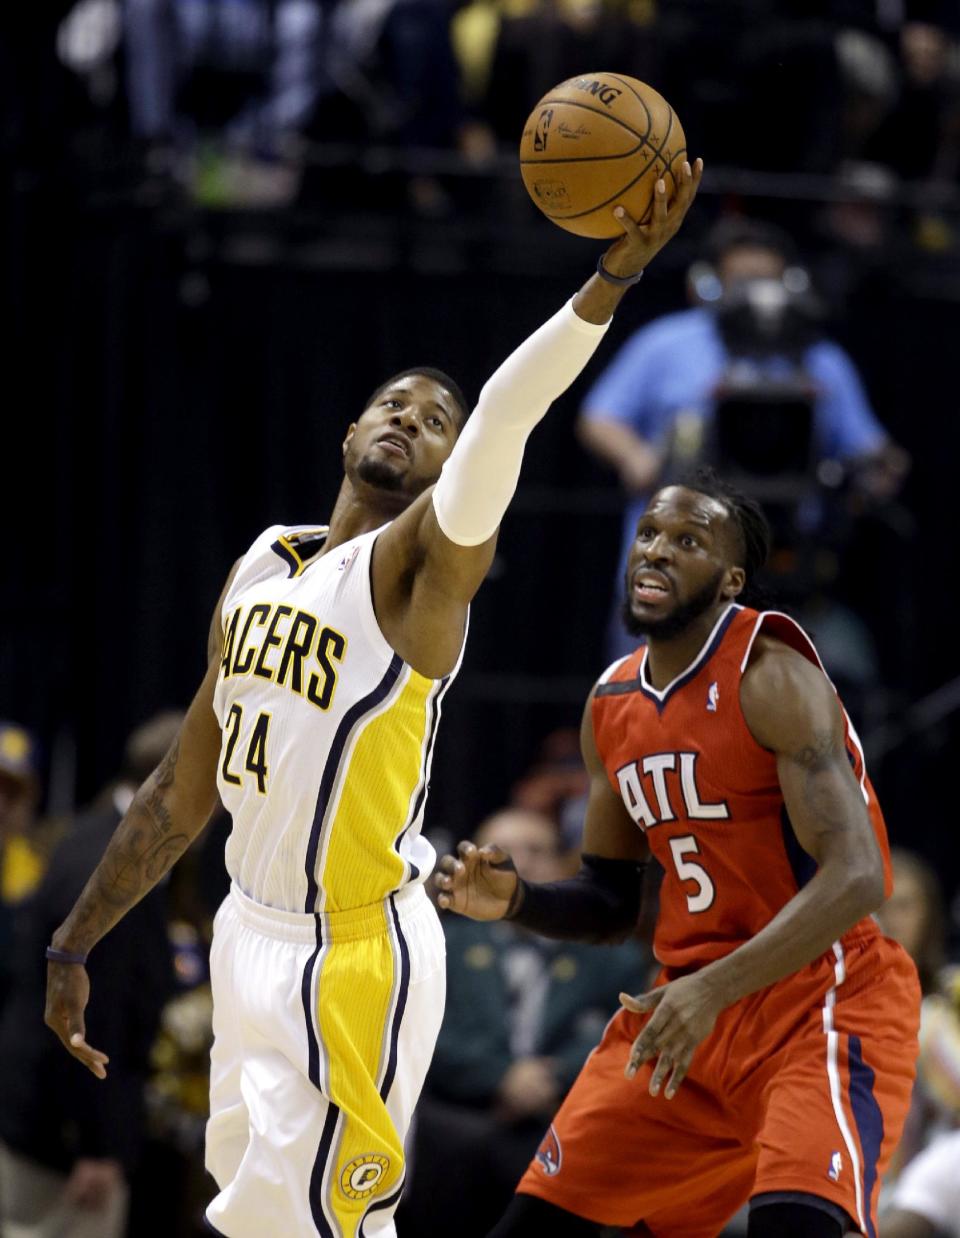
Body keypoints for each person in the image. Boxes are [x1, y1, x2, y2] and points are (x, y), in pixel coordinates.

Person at [42, 160, 703, 1238]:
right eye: (391, 403)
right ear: (348, 434)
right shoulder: (265, 560)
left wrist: (609, 282)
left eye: (432, 418)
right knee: (253, 1220)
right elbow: (178, 785)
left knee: (337, 1227)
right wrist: (76, 943)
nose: (411, 416)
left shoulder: (422, 570)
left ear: (451, 468)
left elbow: (504, 413)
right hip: (242, 932)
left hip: (351, 949)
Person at [437, 469, 921, 1238]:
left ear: (730, 580)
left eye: (687, 541)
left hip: (820, 1000)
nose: (655, 552)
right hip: (685, 1016)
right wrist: (518, 901)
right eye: (650, 535)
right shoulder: (611, 705)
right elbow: (609, 902)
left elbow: (859, 876)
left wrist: (710, 990)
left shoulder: (773, 677)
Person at [577, 217, 908, 659]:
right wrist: (635, 457)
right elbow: (599, 415)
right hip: (673, 553)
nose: (757, 294)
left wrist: (876, 473)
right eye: (744, 281)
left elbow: (870, 450)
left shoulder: (820, 359)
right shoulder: (667, 344)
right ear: (709, 284)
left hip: (785, 558)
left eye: (768, 281)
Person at [401, 807, 647, 1237]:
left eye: (535, 850)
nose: (518, 864)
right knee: (448, 1139)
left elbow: (628, 1031)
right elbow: (418, 1036)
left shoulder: (611, 956)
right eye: (500, 852)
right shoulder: (439, 946)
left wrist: (549, 1078)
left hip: (565, 1113)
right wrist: (503, 1077)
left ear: (566, 864)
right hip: (463, 1118)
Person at [0, 712, 176, 1238]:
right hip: (62, 1145)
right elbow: (87, 1014)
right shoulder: (117, 864)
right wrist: (96, 1145)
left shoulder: (91, 833)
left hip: (37, 1118)